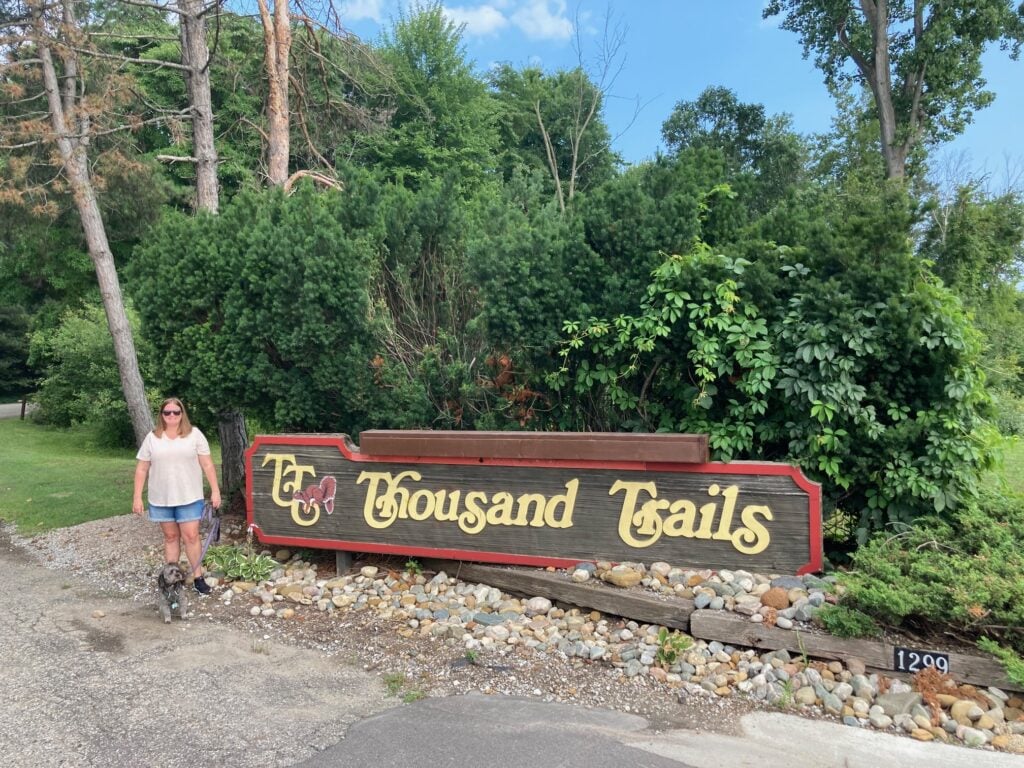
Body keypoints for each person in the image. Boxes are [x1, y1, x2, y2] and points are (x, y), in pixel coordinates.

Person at [132, 397, 221, 594]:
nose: (172, 416)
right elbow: (142, 468)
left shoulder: (194, 435)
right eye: (167, 412)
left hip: (189, 496)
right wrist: (137, 497)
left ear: (182, 414)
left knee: (191, 536)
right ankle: (171, 579)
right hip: (161, 497)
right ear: (161, 415)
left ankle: (198, 577)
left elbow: (207, 464)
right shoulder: (152, 437)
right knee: (171, 536)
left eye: (176, 412)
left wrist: (215, 490)